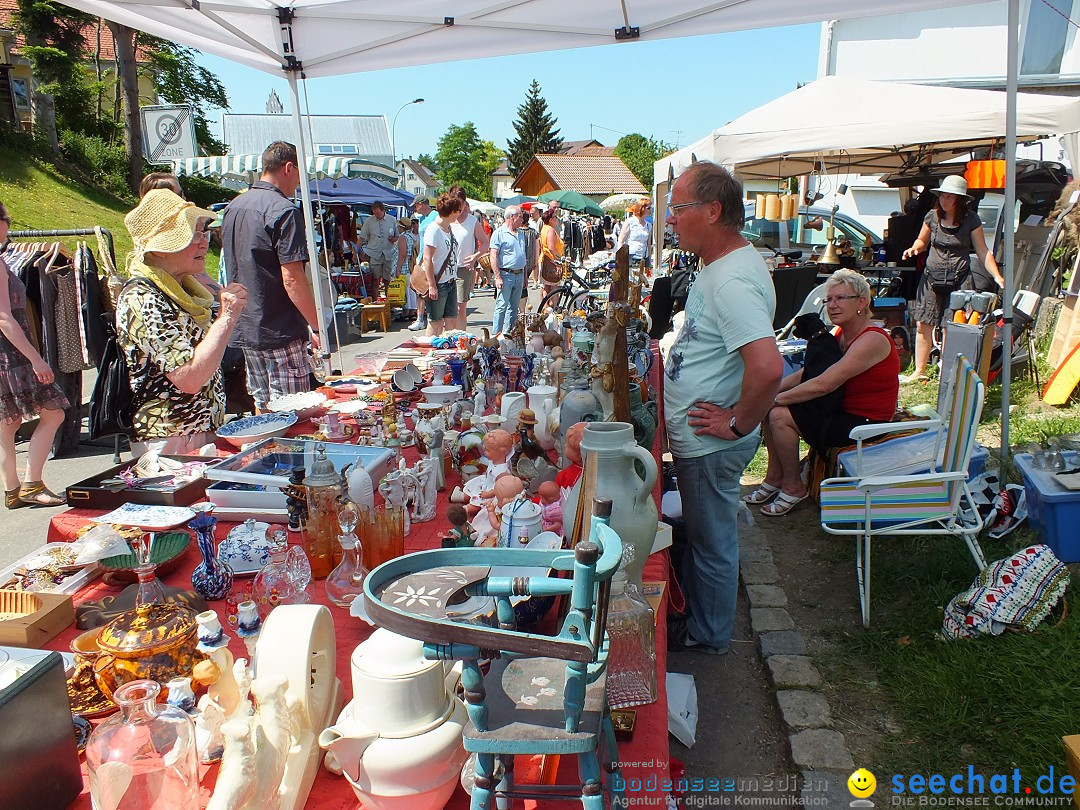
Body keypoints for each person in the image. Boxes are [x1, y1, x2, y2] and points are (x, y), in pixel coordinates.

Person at [663, 161, 783, 655]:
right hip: (703, 437)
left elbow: (768, 368)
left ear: (712, 211)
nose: (670, 218)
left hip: (710, 442)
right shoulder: (720, 264)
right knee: (705, 536)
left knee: (713, 544)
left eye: (678, 208)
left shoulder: (731, 279)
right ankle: (699, 617)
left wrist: (737, 423)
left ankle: (708, 635)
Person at [747, 268, 900, 516]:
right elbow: (808, 373)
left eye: (841, 298)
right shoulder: (841, 332)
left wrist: (773, 400)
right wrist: (769, 393)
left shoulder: (872, 339)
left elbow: (824, 384)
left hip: (866, 422)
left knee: (778, 415)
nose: (832, 305)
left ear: (862, 302)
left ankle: (794, 487)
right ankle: (775, 477)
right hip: (839, 410)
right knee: (771, 410)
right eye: (829, 299)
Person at [117, 189, 248, 457]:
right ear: (161, 249)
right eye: (193, 234)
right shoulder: (143, 298)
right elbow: (189, 378)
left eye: (204, 233)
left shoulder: (186, 291)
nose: (203, 243)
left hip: (195, 432)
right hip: (169, 440)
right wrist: (226, 318)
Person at [222, 141, 320, 413]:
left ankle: (268, 453)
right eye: (300, 173)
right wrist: (316, 325)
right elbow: (292, 279)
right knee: (292, 412)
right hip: (280, 327)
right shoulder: (284, 210)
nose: (300, 181)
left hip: (248, 324)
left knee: (263, 407)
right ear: (289, 168)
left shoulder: (234, 207)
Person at [0, 201, 70, 507]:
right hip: (12, 353)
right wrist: (36, 359)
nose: (9, 228)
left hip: (5, 354)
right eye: (6, 219)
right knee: (54, 413)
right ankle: (32, 484)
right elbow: (4, 318)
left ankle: (12, 489)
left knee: (7, 424)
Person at [901, 175, 1003, 383]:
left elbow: (983, 252)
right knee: (923, 325)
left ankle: (946, 372)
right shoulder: (931, 216)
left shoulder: (971, 220)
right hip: (932, 279)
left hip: (960, 280)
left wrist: (997, 276)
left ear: (959, 199)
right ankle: (919, 370)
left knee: (951, 327)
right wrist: (914, 248)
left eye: (949, 197)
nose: (944, 201)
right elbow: (922, 240)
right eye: (942, 196)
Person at [420, 193, 464, 337]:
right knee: (435, 322)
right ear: (451, 212)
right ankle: (429, 353)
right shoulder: (434, 229)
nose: (459, 214)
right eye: (458, 211)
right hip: (439, 283)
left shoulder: (448, 228)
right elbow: (427, 258)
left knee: (451, 321)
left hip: (450, 281)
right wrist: (432, 285)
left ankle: (446, 353)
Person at [449, 187, 490, 332]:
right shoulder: (447, 219)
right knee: (446, 310)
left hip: (462, 268)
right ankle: (446, 338)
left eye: (460, 204)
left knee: (460, 308)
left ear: (465, 203)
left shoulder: (472, 221)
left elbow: (485, 243)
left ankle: (461, 338)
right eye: (455, 204)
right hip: (445, 269)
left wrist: (474, 257)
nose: (458, 208)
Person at [488, 205, 527, 337]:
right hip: (506, 274)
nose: (522, 219)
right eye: (520, 216)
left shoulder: (520, 234)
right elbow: (493, 255)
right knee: (502, 306)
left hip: (519, 274)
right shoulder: (499, 233)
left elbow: (523, 256)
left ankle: (508, 334)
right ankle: (496, 336)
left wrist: (525, 276)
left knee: (514, 308)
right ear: (512, 216)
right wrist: (498, 277)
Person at [357, 201, 399, 300]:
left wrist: (393, 239)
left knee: (388, 280)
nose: (376, 215)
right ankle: (375, 302)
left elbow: (398, 237)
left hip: (388, 254)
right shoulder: (369, 221)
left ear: (383, 211)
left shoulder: (392, 220)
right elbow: (362, 237)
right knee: (375, 280)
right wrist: (356, 251)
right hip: (374, 254)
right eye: (374, 213)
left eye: (378, 213)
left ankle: (389, 304)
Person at [409, 196, 434, 331]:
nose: (414, 208)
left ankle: (429, 318)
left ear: (421, 204)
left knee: (428, 288)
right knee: (419, 288)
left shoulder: (435, 215)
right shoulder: (421, 219)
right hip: (421, 257)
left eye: (416, 205)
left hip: (431, 257)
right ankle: (420, 319)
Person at [616, 199, 653, 268]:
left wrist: (649, 261)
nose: (650, 210)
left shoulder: (649, 225)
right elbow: (621, 240)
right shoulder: (630, 222)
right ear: (642, 208)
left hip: (644, 258)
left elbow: (648, 244)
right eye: (648, 208)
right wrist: (620, 258)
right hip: (631, 258)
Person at [538, 209, 564, 295]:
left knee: (546, 285)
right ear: (550, 219)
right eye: (555, 217)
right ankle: (553, 305)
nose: (557, 218)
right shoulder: (550, 230)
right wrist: (559, 259)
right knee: (553, 287)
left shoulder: (544, 228)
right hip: (551, 261)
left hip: (545, 259)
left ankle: (546, 306)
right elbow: (551, 247)